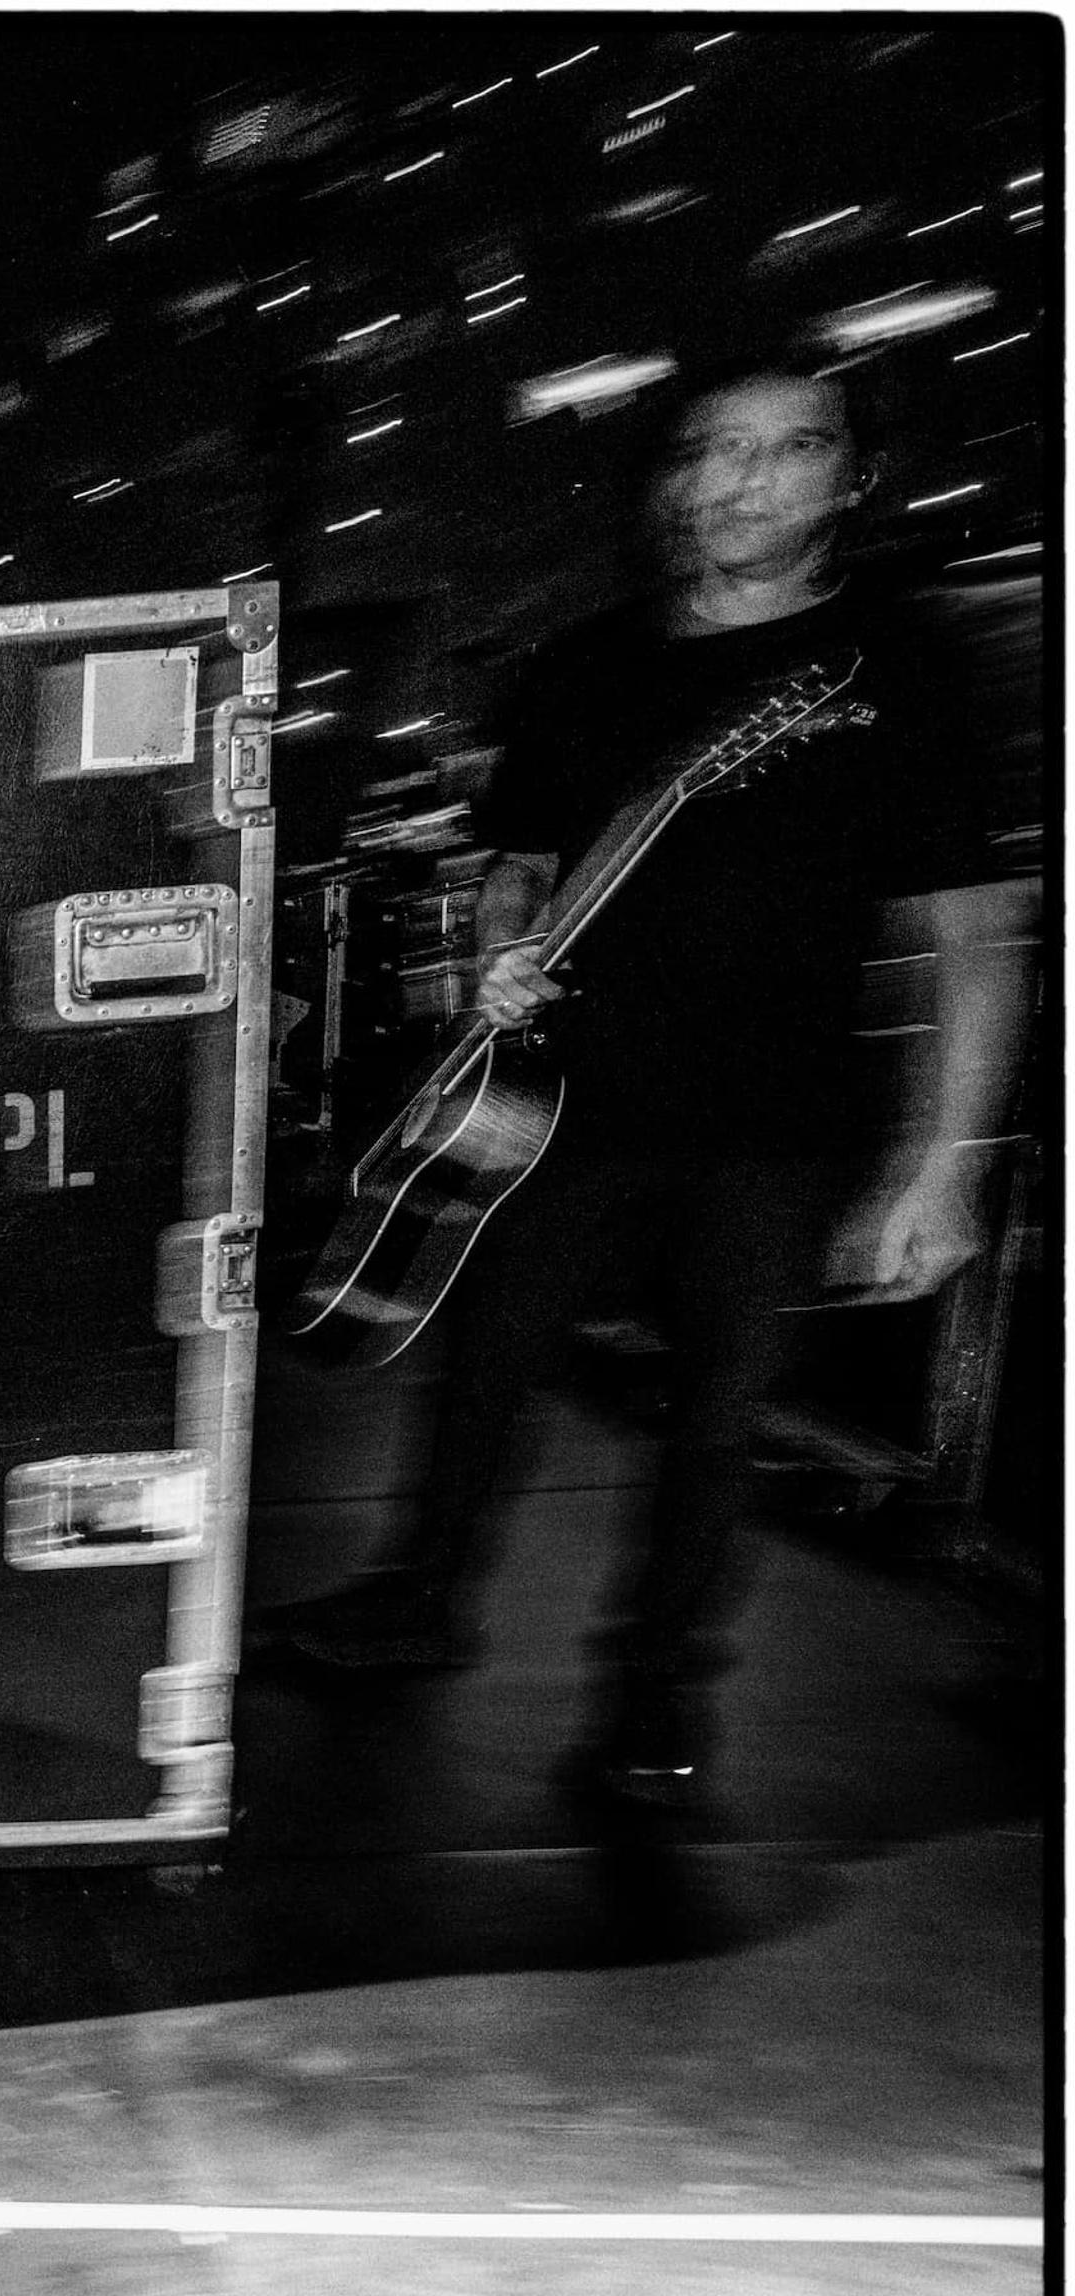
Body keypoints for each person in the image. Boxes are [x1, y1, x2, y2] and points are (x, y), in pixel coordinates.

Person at [267, 363, 1037, 1806]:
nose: (741, 481)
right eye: (714, 451)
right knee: (481, 1367)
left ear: (850, 481)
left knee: (722, 1419)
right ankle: (415, 1602)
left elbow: (976, 931)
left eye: (789, 451)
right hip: (561, 1105)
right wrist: (499, 958)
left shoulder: (900, 666)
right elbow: (519, 866)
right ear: (673, 477)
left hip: (777, 1127)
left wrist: (943, 1169)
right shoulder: (587, 662)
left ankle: (654, 1697)